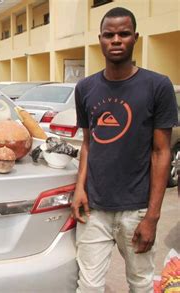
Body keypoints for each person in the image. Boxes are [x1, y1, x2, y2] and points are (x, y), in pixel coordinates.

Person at [71, 7, 178, 293]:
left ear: (135, 38)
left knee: (140, 285)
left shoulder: (157, 86)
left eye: (123, 33)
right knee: (89, 287)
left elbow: (161, 152)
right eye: (109, 34)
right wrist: (79, 188)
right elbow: (88, 143)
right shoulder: (85, 88)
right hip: (94, 210)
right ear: (100, 39)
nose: (116, 40)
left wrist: (152, 217)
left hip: (137, 210)